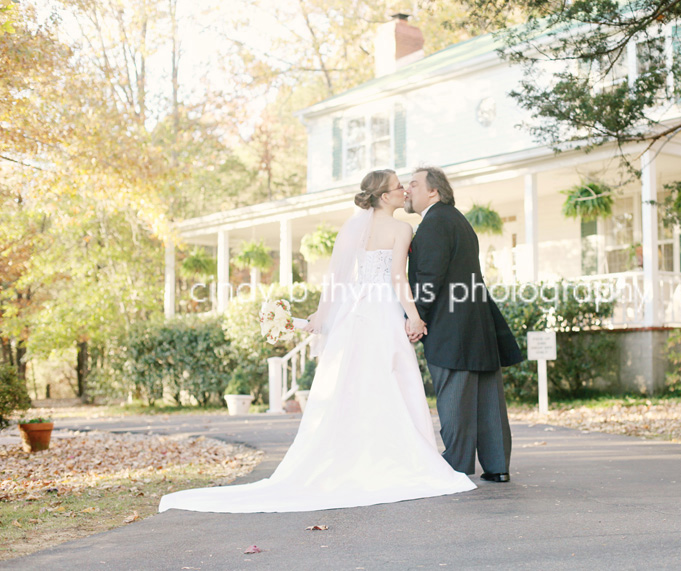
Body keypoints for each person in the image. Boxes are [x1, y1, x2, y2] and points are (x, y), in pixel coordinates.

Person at [158, 169, 475, 514]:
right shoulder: (401, 228)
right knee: (390, 381)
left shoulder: (355, 229)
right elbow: (398, 276)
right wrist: (413, 316)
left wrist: (323, 317)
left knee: (351, 385)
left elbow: (337, 277)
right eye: (399, 187)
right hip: (382, 310)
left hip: (355, 312)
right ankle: (392, 457)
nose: (404, 192)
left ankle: (351, 457)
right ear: (385, 197)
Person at [405, 166, 523, 483]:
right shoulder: (459, 221)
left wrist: (416, 318)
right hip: (479, 323)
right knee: (489, 402)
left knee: (454, 399)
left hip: (450, 328)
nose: (407, 190)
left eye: (414, 184)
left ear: (434, 191)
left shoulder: (433, 224)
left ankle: (455, 468)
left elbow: (429, 277)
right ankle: (497, 466)